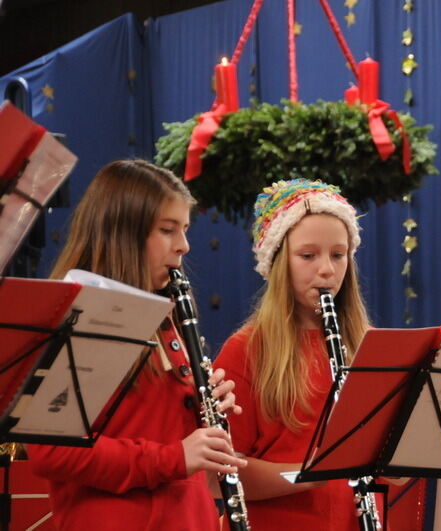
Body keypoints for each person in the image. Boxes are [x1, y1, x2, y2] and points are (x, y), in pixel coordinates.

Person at [27, 159, 247, 530]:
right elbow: (51, 453)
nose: (184, 246)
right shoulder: (83, 314)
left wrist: (201, 406)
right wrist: (173, 457)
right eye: (167, 230)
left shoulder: (166, 311)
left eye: (185, 230)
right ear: (123, 232)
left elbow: (156, 426)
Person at [213, 179, 373, 530]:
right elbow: (218, 475)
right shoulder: (247, 349)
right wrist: (307, 475)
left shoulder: (367, 346)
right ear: (278, 262)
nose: (327, 270)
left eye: (338, 254)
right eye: (307, 255)